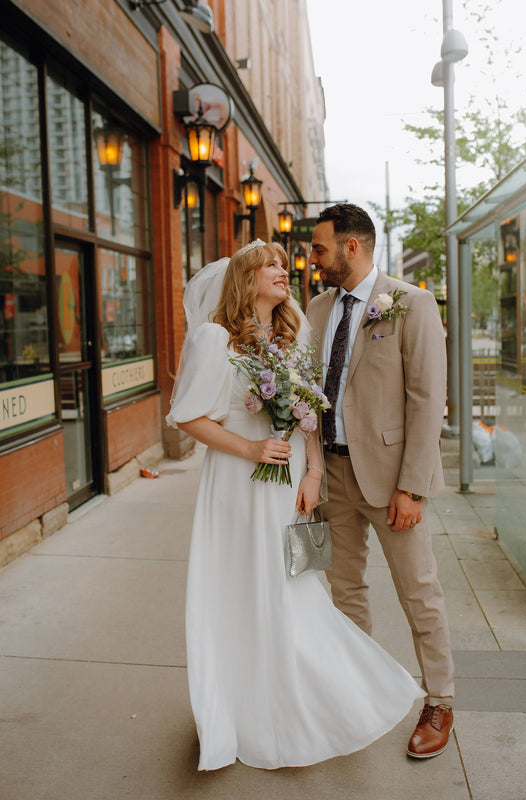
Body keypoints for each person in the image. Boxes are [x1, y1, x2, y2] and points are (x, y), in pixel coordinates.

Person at [167, 239, 424, 772]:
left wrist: (311, 472)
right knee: (243, 591)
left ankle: (300, 696)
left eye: (285, 265)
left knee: (294, 589)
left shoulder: (290, 335)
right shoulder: (216, 339)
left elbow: (309, 411)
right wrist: (252, 448)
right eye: (272, 265)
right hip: (237, 486)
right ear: (245, 277)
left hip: (286, 487)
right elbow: (188, 418)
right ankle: (241, 706)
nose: (284, 272)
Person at [307, 204, 455, 759]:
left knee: (419, 592)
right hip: (331, 477)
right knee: (343, 592)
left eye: (320, 248)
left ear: (352, 247)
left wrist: (413, 488)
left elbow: (427, 400)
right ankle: (356, 695)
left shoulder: (411, 303)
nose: (313, 258)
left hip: (392, 480)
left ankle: (439, 700)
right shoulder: (317, 308)